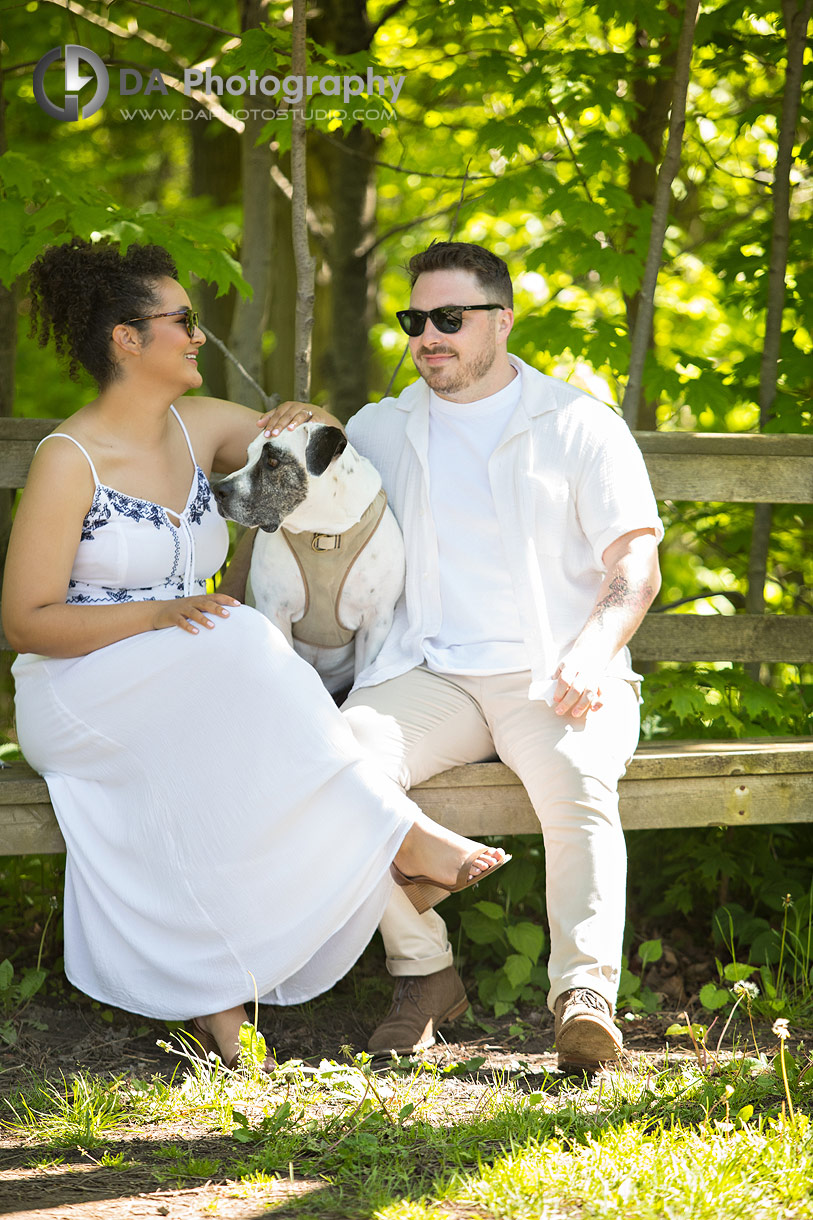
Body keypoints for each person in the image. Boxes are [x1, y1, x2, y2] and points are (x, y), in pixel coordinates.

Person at [1, 237, 508, 1069]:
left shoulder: (200, 425)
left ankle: (221, 1002)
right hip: (78, 688)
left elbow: (318, 450)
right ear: (127, 339)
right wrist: (161, 613)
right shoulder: (70, 460)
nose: (199, 336)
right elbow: (26, 621)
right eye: (183, 321)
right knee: (235, 629)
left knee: (221, 718)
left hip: (179, 669)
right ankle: (399, 841)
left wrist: (306, 412)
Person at [333, 241, 663, 1069]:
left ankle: (583, 997)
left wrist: (590, 652)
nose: (427, 337)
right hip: (427, 672)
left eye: (449, 319)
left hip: (551, 671)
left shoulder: (578, 423)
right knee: (334, 763)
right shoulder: (380, 427)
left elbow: (635, 564)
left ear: (502, 322)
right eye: (415, 321)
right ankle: (424, 972)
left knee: (578, 781)